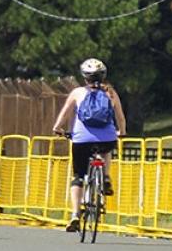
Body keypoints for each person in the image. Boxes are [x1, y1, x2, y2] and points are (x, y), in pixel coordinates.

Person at [52, 58, 127, 233]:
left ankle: (75, 215)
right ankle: (106, 177)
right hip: (107, 137)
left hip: (81, 140)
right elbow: (121, 117)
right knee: (107, 147)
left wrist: (57, 128)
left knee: (78, 176)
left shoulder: (77, 93)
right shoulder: (110, 92)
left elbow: (64, 115)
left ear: (84, 77)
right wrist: (121, 132)